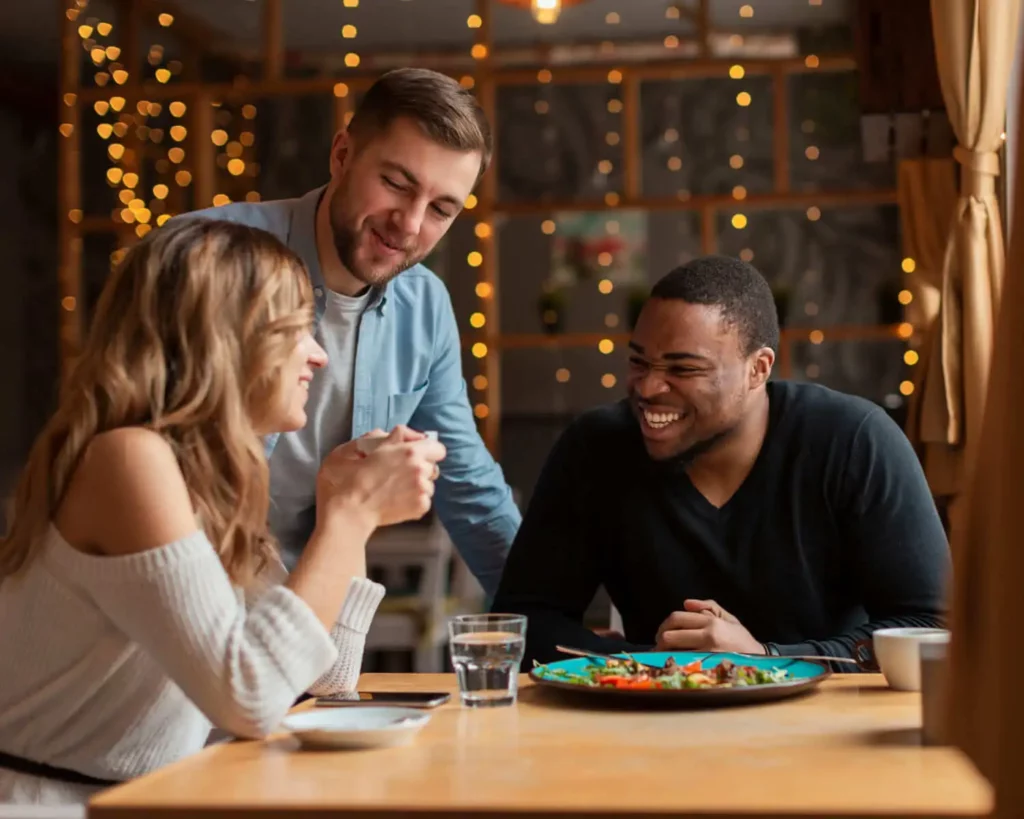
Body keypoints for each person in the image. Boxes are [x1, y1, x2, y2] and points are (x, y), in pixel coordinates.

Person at [0, 219, 445, 804]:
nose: (318, 357)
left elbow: (323, 680)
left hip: (142, 802)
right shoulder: (128, 458)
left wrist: (341, 499)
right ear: (223, 338)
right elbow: (251, 698)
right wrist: (352, 516)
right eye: (296, 330)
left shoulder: (205, 477)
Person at [493, 255, 951, 668]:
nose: (649, 388)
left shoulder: (854, 441)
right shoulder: (595, 449)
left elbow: (932, 627)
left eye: (683, 369)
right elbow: (522, 624)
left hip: (827, 733)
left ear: (759, 369)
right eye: (639, 362)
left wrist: (763, 658)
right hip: (651, 729)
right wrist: (646, 661)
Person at [182, 67, 519, 594]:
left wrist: (552, 621)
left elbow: (468, 487)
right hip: (175, 605)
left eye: (440, 209)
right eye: (395, 184)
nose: (409, 223)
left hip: (305, 613)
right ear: (341, 155)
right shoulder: (203, 255)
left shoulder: (424, 306)